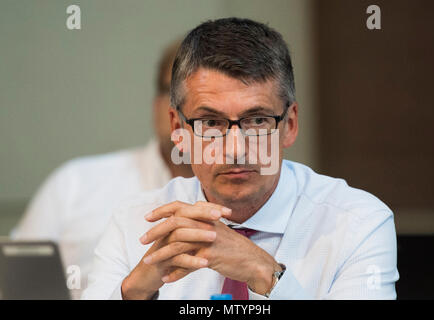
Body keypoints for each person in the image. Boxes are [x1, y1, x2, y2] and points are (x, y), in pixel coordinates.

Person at [82, 18, 399, 300]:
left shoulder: (358, 223)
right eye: (211, 123)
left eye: (257, 120)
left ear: (289, 125)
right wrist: (134, 294)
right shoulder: (133, 225)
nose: (235, 148)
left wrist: (265, 273)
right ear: (179, 130)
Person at [11, 41, 193, 299]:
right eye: (178, 95)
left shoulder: (252, 198)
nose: (190, 113)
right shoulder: (74, 184)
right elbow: (19, 286)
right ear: (157, 105)